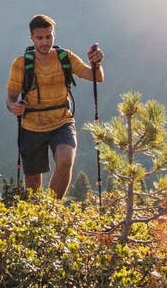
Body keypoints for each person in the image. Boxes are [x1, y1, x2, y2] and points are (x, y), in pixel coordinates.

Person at [6, 14, 104, 198]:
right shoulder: (21, 64)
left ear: (53, 35)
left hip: (62, 121)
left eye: (48, 36)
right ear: (31, 38)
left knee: (66, 160)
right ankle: (37, 212)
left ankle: (52, 208)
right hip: (31, 125)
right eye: (39, 38)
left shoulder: (65, 57)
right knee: (33, 182)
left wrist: (96, 63)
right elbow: (10, 98)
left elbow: (96, 77)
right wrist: (14, 107)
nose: (45, 42)